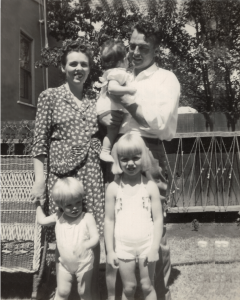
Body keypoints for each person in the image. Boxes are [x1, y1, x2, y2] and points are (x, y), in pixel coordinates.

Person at [99, 22, 180, 300]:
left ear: (156, 49)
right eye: (132, 45)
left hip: (147, 151)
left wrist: (125, 100)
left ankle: (157, 292)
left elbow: (157, 123)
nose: (135, 52)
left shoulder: (165, 79)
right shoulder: (122, 75)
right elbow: (106, 111)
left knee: (152, 221)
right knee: (121, 221)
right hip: (119, 151)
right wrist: (107, 117)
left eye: (143, 48)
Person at [31, 40, 107, 299]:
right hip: (62, 178)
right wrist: (40, 180)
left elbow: (106, 132)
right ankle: (63, 289)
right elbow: (39, 142)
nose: (78, 68)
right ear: (63, 67)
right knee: (63, 232)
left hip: (91, 176)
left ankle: (91, 290)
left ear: (90, 69)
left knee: (90, 229)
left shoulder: (95, 100)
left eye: (84, 64)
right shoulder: (49, 97)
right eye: (73, 63)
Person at [105, 133, 163, 300]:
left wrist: (154, 248)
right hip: (123, 246)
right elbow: (109, 221)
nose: (130, 163)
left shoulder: (150, 187)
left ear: (143, 158)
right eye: (124, 159)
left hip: (146, 244)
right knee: (129, 288)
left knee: (147, 286)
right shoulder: (113, 188)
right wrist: (110, 251)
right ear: (118, 160)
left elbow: (158, 220)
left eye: (135, 158)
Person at [36, 177, 99, 300]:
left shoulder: (87, 217)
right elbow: (42, 221)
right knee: (63, 292)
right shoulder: (58, 217)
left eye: (78, 202)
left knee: (84, 293)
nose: (75, 207)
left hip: (84, 263)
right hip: (64, 263)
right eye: (69, 205)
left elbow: (95, 237)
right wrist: (37, 204)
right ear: (60, 205)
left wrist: (87, 245)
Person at [96, 39, 136, 163]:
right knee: (113, 130)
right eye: (126, 59)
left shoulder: (110, 72)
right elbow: (112, 88)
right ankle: (105, 151)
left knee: (113, 129)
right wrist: (130, 90)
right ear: (122, 60)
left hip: (105, 107)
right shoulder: (118, 73)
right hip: (108, 108)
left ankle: (106, 150)